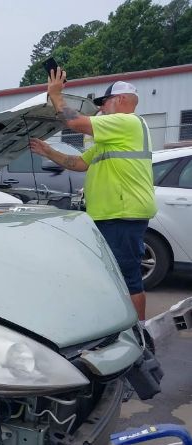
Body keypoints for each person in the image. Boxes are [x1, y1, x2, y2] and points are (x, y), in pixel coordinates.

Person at [29, 68, 157, 321]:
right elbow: (79, 164)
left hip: (122, 214)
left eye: (104, 103)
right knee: (115, 277)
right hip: (110, 215)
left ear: (120, 100)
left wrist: (56, 95)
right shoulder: (110, 138)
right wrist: (48, 152)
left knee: (128, 277)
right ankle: (120, 325)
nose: (101, 109)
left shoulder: (127, 122)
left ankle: (140, 335)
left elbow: (75, 122)